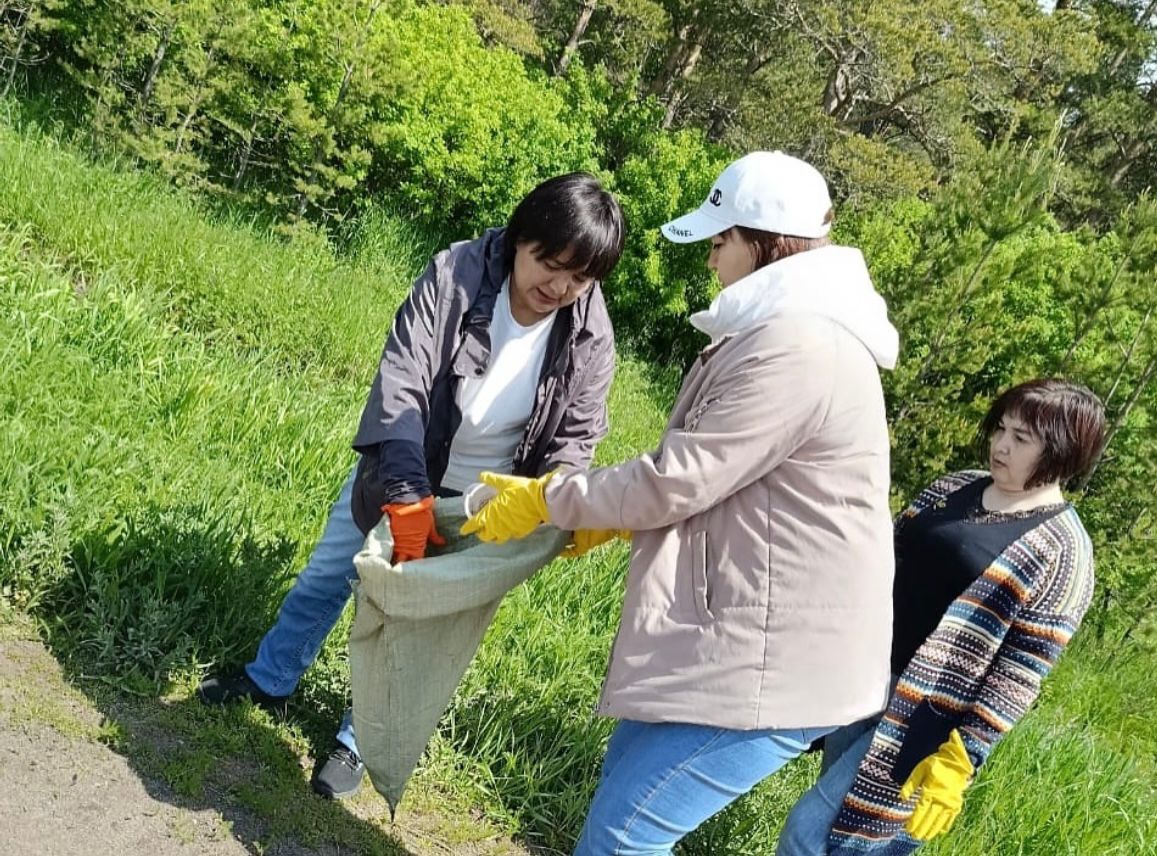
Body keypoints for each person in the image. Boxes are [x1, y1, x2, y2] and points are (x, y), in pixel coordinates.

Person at [461, 151, 901, 854]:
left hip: (773, 661)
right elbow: (719, 485)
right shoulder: (786, 329)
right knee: (622, 808)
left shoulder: (799, 345)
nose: (711, 259)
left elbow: (677, 479)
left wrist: (553, 499)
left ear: (764, 241)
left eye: (720, 241)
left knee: (623, 835)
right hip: (734, 639)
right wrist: (603, 515)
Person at [197, 173, 626, 799]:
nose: (559, 288)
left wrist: (552, 500)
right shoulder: (456, 274)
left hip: (484, 507)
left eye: (580, 278)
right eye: (549, 264)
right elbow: (401, 387)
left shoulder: (591, 337)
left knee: (414, 620)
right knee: (330, 575)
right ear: (518, 239)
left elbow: (575, 443)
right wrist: (406, 498)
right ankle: (269, 680)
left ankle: (358, 741)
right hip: (404, 468)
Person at [776, 378, 1106, 856]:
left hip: (923, 722)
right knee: (844, 841)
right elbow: (885, 554)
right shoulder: (958, 486)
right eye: (1001, 429)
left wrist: (960, 756)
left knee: (809, 833)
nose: (1001, 445)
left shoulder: (1064, 552)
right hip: (860, 676)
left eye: (1021, 439)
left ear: (1061, 455)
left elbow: (1020, 675)